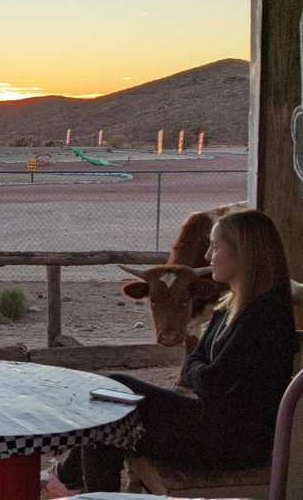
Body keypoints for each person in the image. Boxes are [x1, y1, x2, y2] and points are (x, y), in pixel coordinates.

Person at [42, 209, 300, 496]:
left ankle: (69, 479)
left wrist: (197, 369)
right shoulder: (230, 306)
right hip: (212, 423)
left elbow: (211, 381)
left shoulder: (264, 317)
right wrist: (199, 369)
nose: (207, 257)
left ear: (244, 254)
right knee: (106, 420)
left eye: (215, 247)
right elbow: (200, 366)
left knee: (114, 393)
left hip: (233, 443)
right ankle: (74, 482)